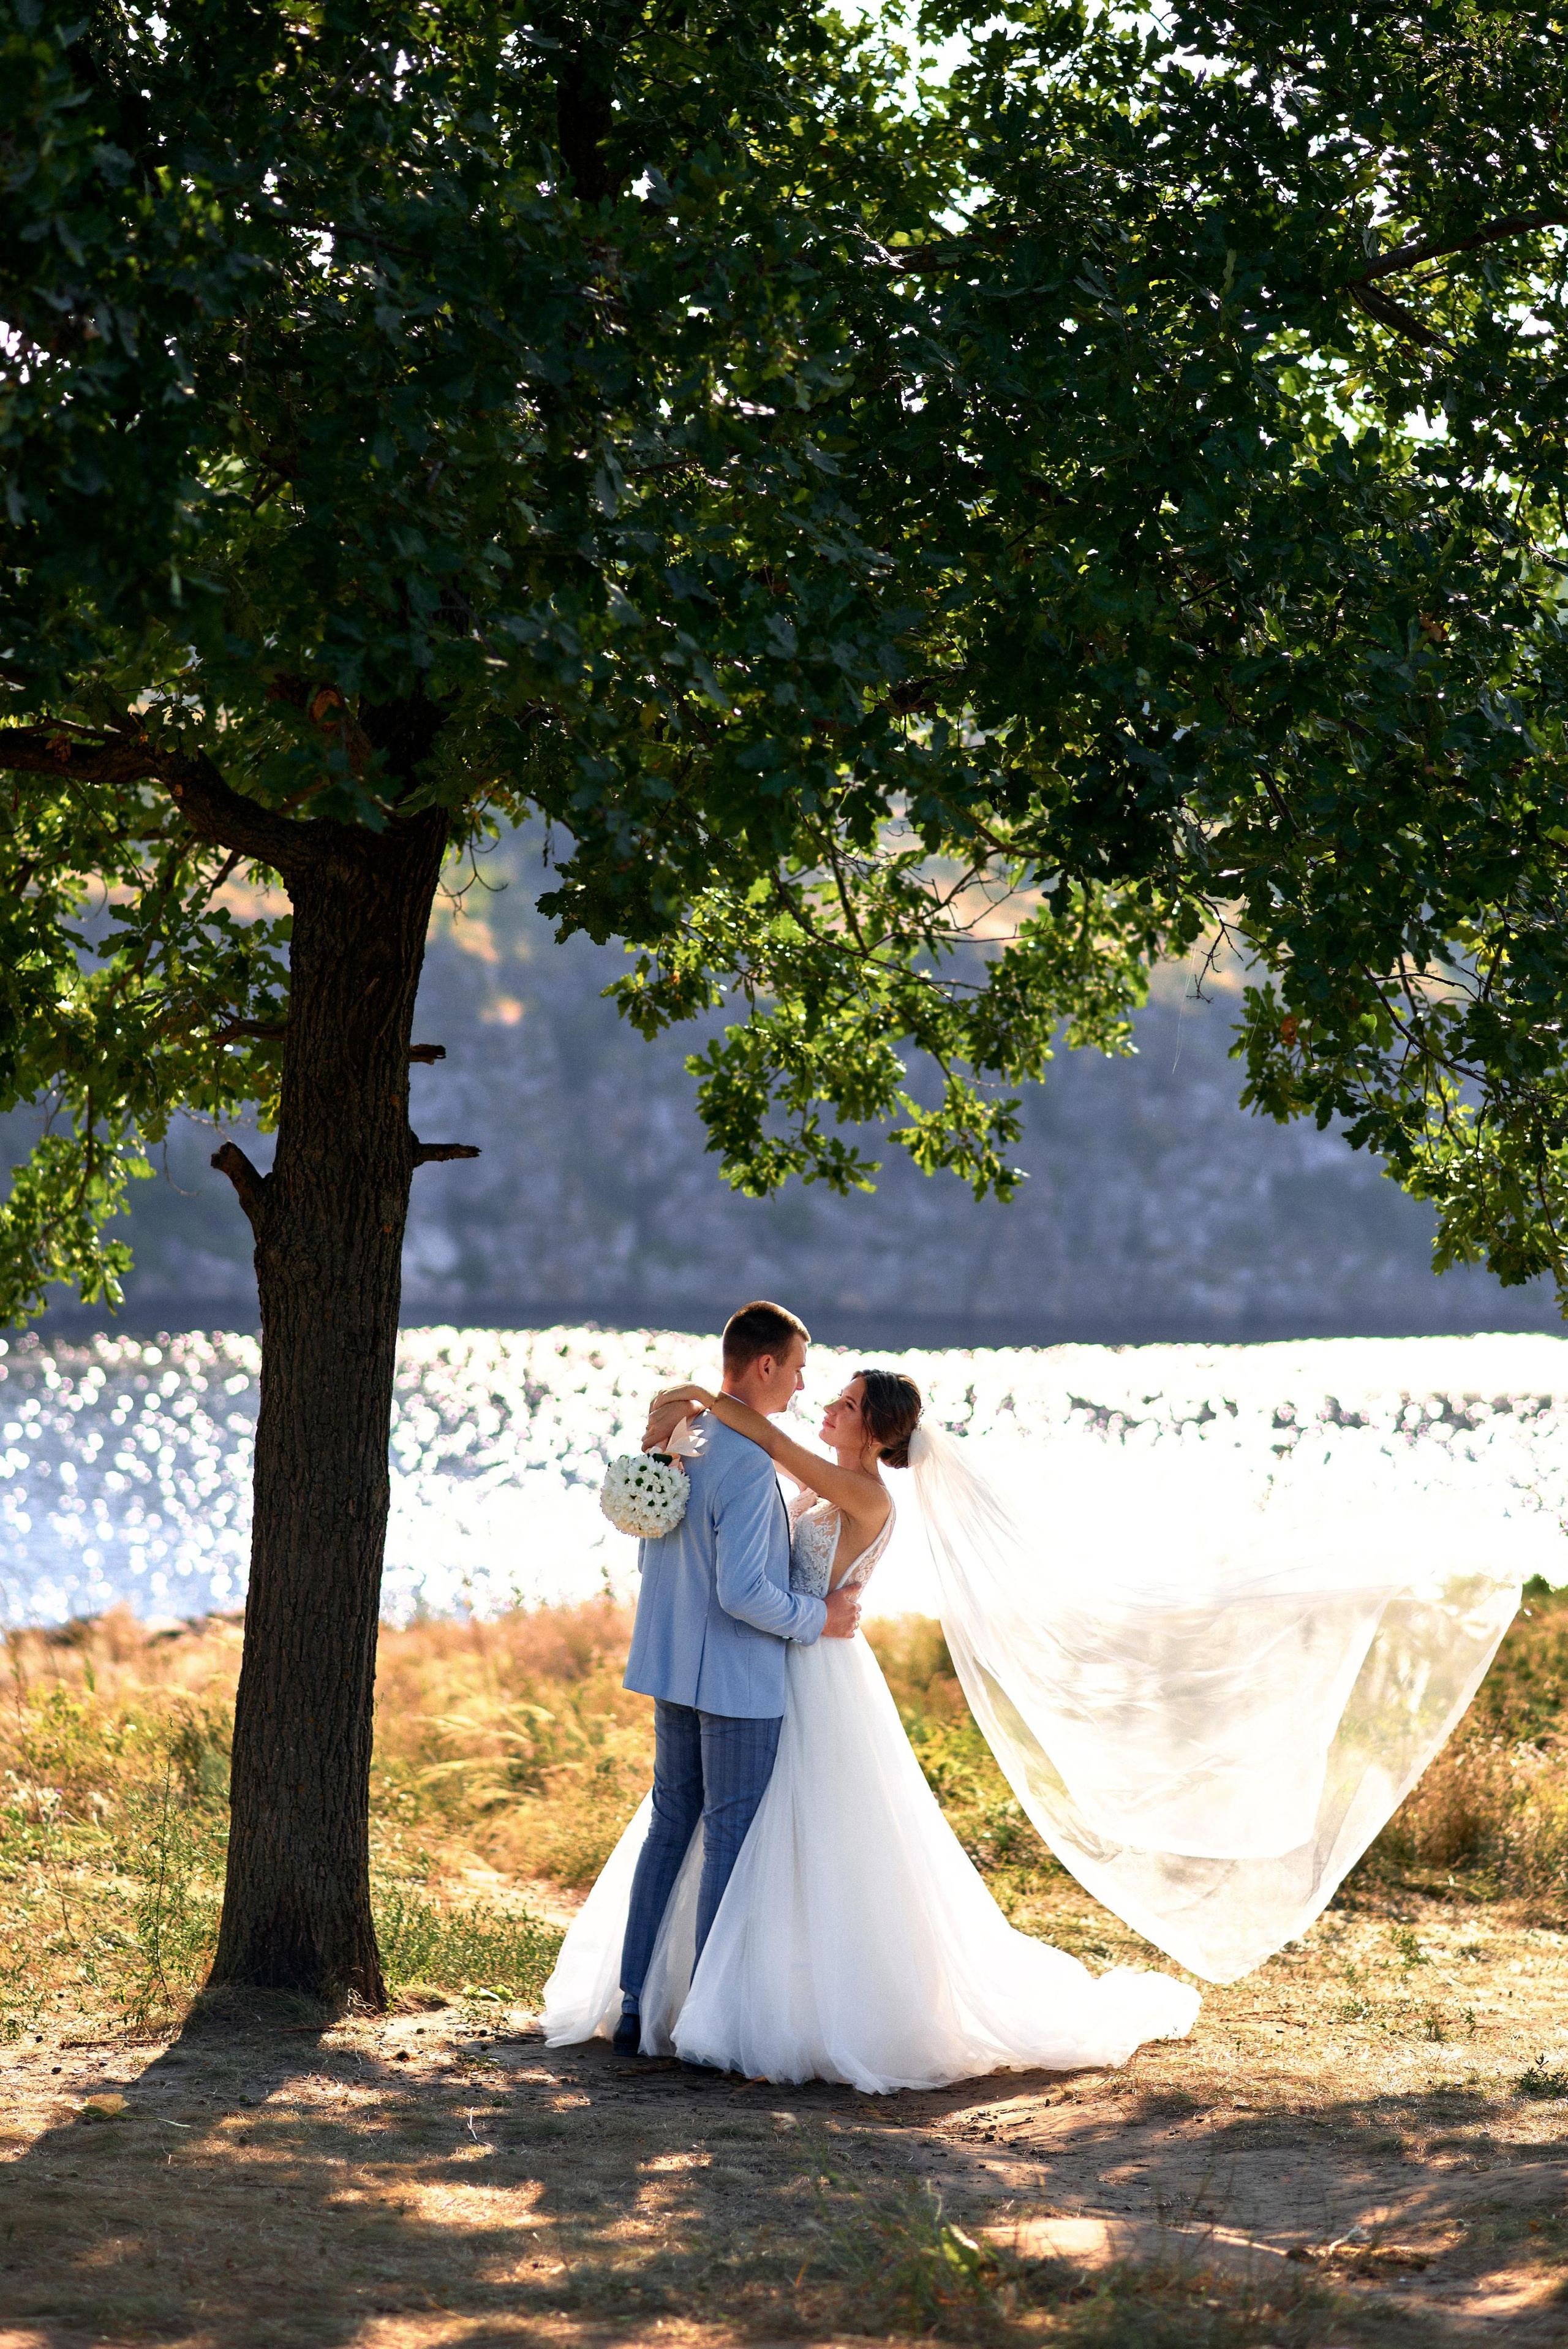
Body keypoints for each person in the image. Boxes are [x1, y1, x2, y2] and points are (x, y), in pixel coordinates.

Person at [541, 1350, 1199, 2090]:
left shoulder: (865, 1496)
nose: (827, 1407)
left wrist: (706, 1398)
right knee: (744, 1831)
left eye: (846, 1406)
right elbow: (756, 1481)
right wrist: (675, 1442)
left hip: (814, 1669)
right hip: (779, 1654)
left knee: (789, 1831)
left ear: (876, 1434)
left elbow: (775, 1447)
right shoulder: (826, 1488)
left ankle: (743, 2002)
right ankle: (708, 1994)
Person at [607, 1300, 862, 2059]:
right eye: (797, 1369)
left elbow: (658, 1551)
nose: (801, 1385)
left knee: (668, 1829)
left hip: (670, 1664)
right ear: (764, 1366)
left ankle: (634, 2006)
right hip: (736, 1681)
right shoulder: (749, 1467)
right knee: (728, 1843)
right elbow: (744, 1594)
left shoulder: (682, 1438)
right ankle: (705, 2019)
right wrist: (819, 1619)